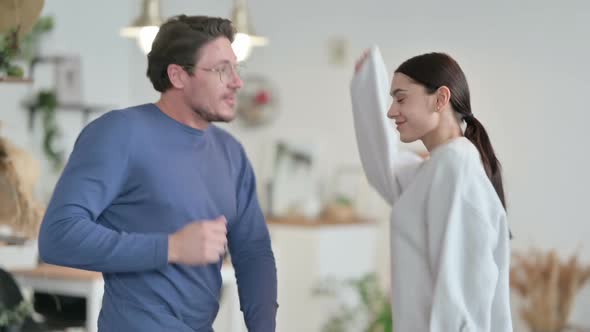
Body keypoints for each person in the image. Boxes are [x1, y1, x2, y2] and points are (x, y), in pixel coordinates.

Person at [38, 15, 278, 332]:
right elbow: (58, 237)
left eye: (236, 68)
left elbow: (253, 252)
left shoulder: (230, 152)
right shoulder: (119, 133)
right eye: (222, 69)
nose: (237, 81)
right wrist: (171, 247)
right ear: (178, 76)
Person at [350, 47, 513, 331]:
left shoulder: (455, 165)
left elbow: (458, 294)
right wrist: (366, 84)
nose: (391, 111)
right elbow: (386, 171)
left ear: (440, 99)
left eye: (400, 99)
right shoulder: (438, 167)